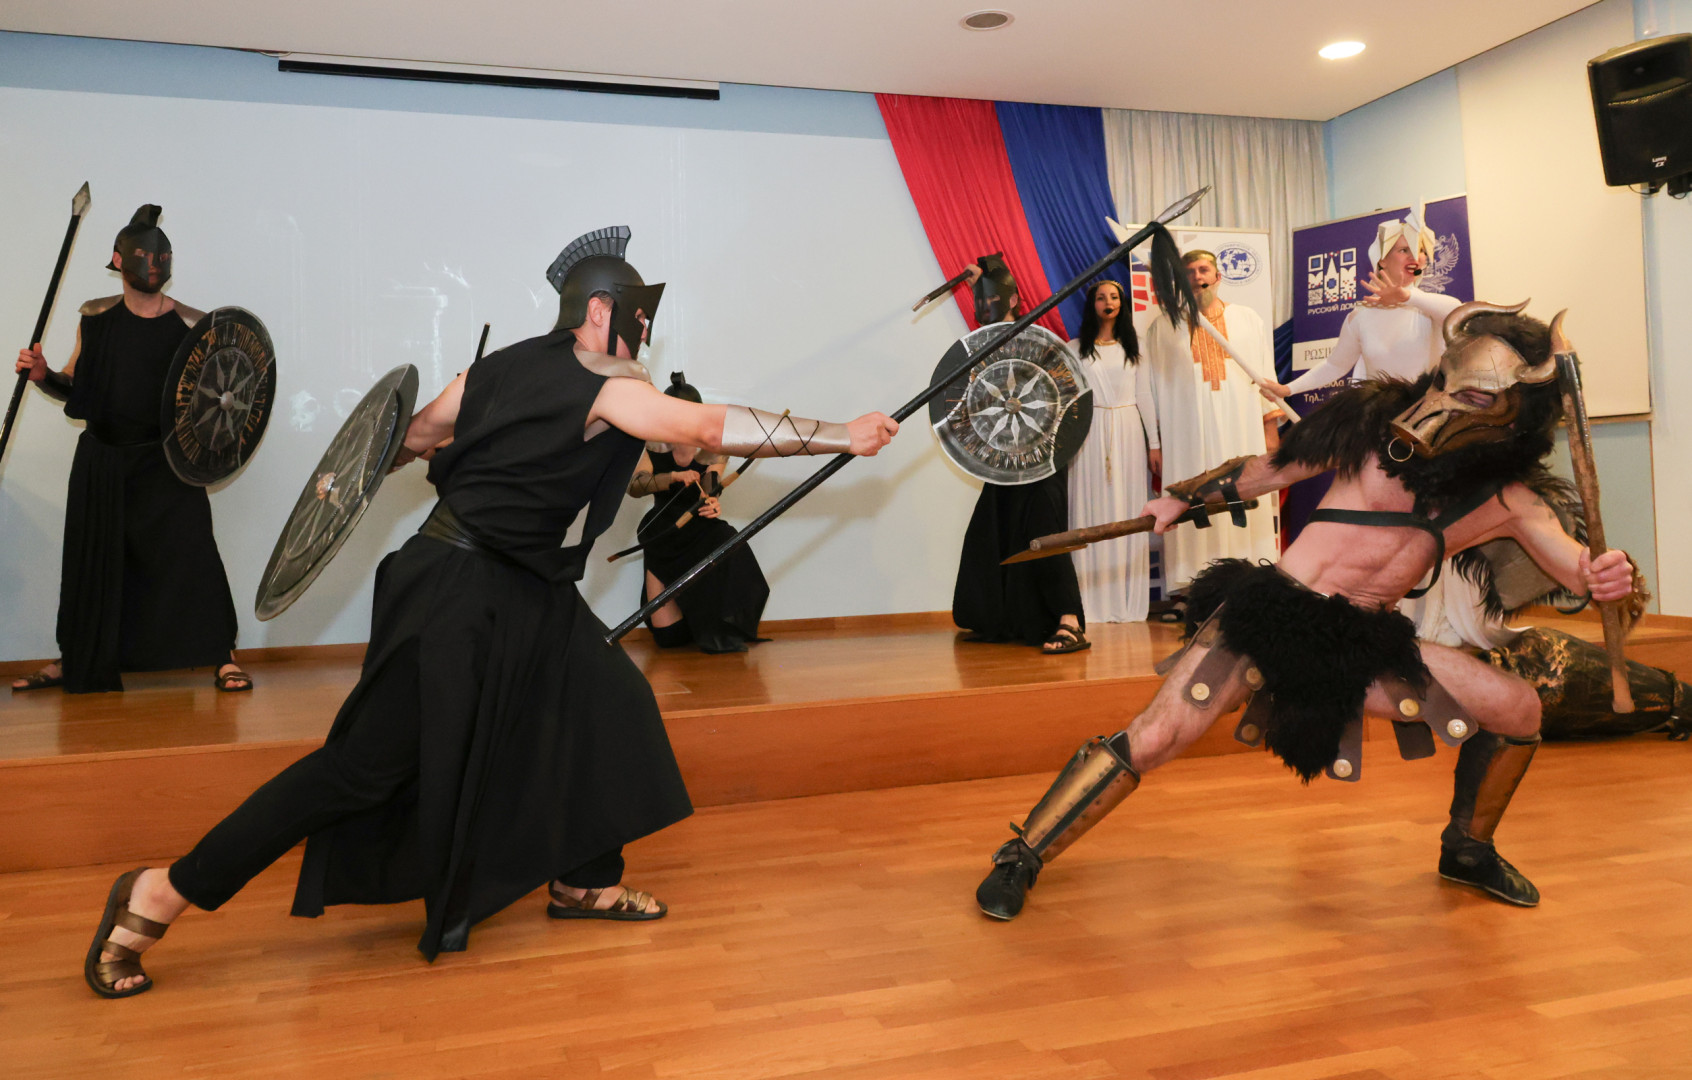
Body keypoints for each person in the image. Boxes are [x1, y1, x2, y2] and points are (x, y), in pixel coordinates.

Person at [83, 225, 899, 997]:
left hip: (525, 589)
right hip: (460, 592)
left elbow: (408, 440)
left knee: (611, 700)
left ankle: (584, 880)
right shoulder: (611, 385)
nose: (644, 337)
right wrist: (842, 435)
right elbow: (704, 424)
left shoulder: (492, 371)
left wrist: (401, 465)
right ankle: (162, 890)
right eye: (638, 318)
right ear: (601, 311)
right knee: (359, 771)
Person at [974, 300, 1643, 922]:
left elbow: (1579, 571)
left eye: (1475, 398)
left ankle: (1469, 851)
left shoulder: (1509, 501)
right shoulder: (1371, 427)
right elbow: (1269, 470)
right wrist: (1184, 497)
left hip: (1362, 648)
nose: (1446, 403)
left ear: (1513, 415)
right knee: (1155, 738)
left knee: (1519, 709)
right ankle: (1023, 853)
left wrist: (1609, 577)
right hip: (1276, 615)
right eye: (1449, 383)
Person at [1265, 210, 1688, 745]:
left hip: (1444, 450)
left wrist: (1409, 298)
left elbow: (1456, 318)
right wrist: (1288, 388)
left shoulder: (1435, 309)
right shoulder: (1359, 317)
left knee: (1438, 549)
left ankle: (1440, 642)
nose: (1414, 257)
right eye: (1403, 250)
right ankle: (1384, 637)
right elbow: (1337, 367)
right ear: (1380, 258)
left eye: (1419, 250)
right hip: (1389, 448)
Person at [13, 205, 250, 694]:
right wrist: (43, 375)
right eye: (142, 255)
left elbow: (219, 402)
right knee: (93, 562)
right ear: (119, 260)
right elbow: (75, 384)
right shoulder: (95, 319)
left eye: (161, 256)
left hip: (168, 463)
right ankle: (76, 657)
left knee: (192, 555)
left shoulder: (193, 325)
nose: (153, 264)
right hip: (102, 460)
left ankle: (221, 656)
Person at [950, 255, 1088, 654]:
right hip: (1002, 455)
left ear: (1014, 300)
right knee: (996, 527)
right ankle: (1005, 619)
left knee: (1044, 532)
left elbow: (1064, 394)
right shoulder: (985, 345)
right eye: (981, 301)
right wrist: (981, 284)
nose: (986, 305)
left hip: (1042, 453)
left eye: (994, 298)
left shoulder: (1037, 339)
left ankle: (1070, 621)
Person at [1143, 250, 1280, 598]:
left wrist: (1270, 430)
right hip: (1187, 435)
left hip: (1241, 429)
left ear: (1218, 277)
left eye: (1203, 270)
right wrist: (1155, 442)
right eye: (1189, 272)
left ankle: (1249, 584)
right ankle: (1195, 589)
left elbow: (1265, 377)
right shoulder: (1163, 327)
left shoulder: (1247, 319)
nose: (1197, 277)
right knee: (1194, 496)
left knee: (1243, 490)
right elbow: (1153, 388)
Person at [628, 371, 770, 653]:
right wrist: (673, 477)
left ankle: (710, 621)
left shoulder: (713, 447)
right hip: (663, 532)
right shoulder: (652, 445)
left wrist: (712, 501)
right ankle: (690, 621)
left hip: (700, 528)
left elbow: (710, 485)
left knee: (728, 539)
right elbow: (635, 486)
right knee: (668, 638)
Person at [1066, 279, 1160, 623]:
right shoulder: (1075, 348)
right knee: (1088, 506)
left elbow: (1144, 396)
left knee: (1126, 505)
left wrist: (1154, 444)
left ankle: (1125, 599)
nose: (1109, 302)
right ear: (1092, 304)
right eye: (1102, 297)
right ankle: (1087, 600)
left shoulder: (1136, 348)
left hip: (1127, 429)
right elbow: (1067, 397)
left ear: (1122, 304)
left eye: (1115, 296)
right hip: (1088, 431)